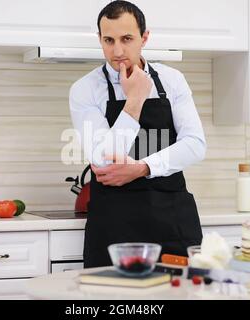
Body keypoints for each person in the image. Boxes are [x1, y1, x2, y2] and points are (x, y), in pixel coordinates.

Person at [69, 0, 206, 268]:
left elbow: (195, 145)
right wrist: (135, 100)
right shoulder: (84, 89)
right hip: (113, 225)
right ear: (99, 39)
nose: (117, 50)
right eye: (108, 40)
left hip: (172, 221)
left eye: (127, 38)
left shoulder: (173, 80)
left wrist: (143, 167)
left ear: (144, 38)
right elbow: (105, 159)